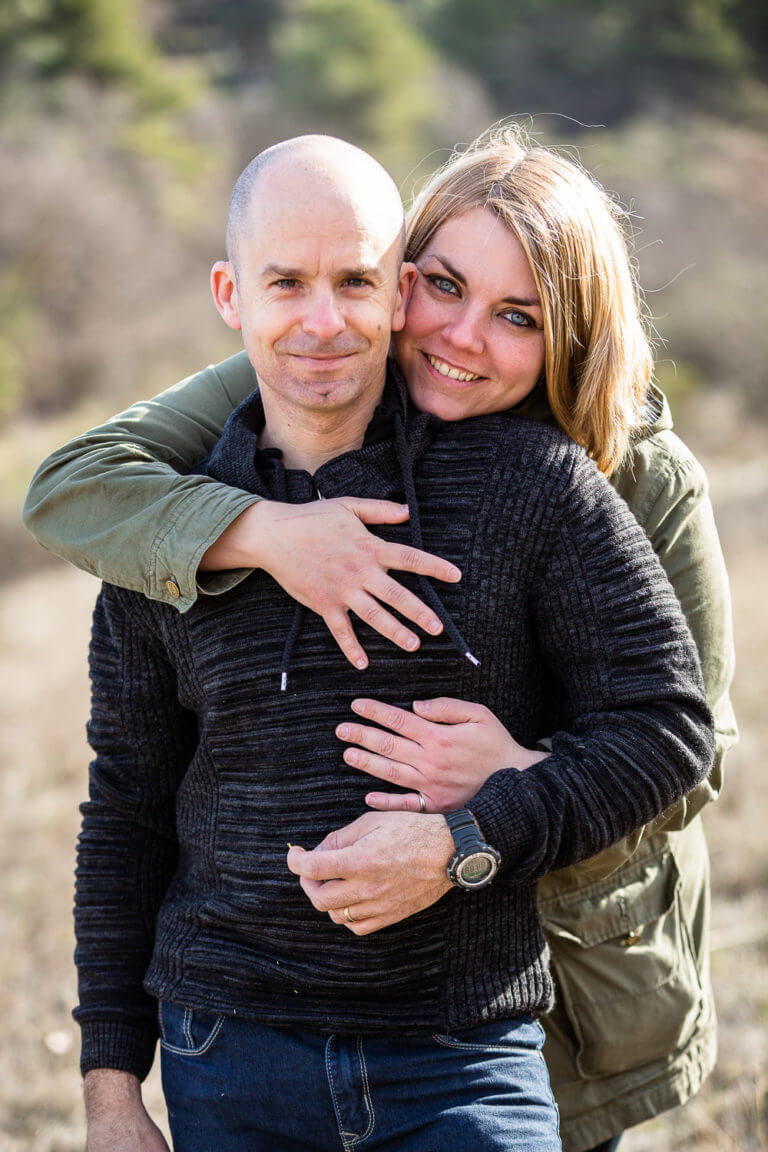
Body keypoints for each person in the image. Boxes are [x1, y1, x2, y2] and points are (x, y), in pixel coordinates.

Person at [23, 133, 719, 1152]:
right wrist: (112, 1093)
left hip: (482, 1034)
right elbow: (126, 810)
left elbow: (673, 736)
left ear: (385, 293)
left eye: (355, 280)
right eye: (448, 288)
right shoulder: (166, 527)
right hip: (229, 1053)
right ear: (232, 295)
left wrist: (479, 819)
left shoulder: (561, 483)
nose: (324, 319)